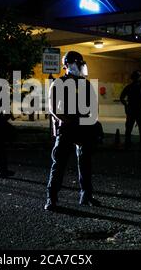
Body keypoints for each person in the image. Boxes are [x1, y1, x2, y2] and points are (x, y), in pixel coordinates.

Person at [44, 51, 100, 211]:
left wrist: (92, 121)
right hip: (67, 127)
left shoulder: (85, 83)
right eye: (77, 63)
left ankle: (86, 196)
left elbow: (94, 105)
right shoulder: (59, 83)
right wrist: (68, 121)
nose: (81, 66)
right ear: (67, 64)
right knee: (59, 163)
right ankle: (51, 198)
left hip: (84, 127)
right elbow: (53, 107)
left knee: (85, 163)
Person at [120, 70, 141, 150]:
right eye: (140, 77)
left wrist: (126, 105)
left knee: (130, 129)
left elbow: (121, 98)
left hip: (133, 111)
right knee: (140, 129)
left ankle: (128, 145)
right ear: (138, 78)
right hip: (139, 111)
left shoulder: (131, 87)